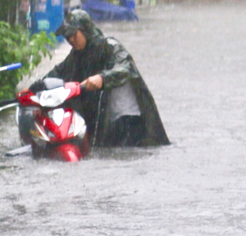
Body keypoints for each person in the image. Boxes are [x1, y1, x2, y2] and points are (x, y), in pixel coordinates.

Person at [34, 9, 169, 147]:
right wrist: (36, 88)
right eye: (67, 37)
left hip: (130, 119)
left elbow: (126, 68)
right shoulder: (77, 55)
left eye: (74, 35)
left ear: (85, 30)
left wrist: (102, 78)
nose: (71, 40)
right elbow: (58, 72)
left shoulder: (110, 46)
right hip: (107, 122)